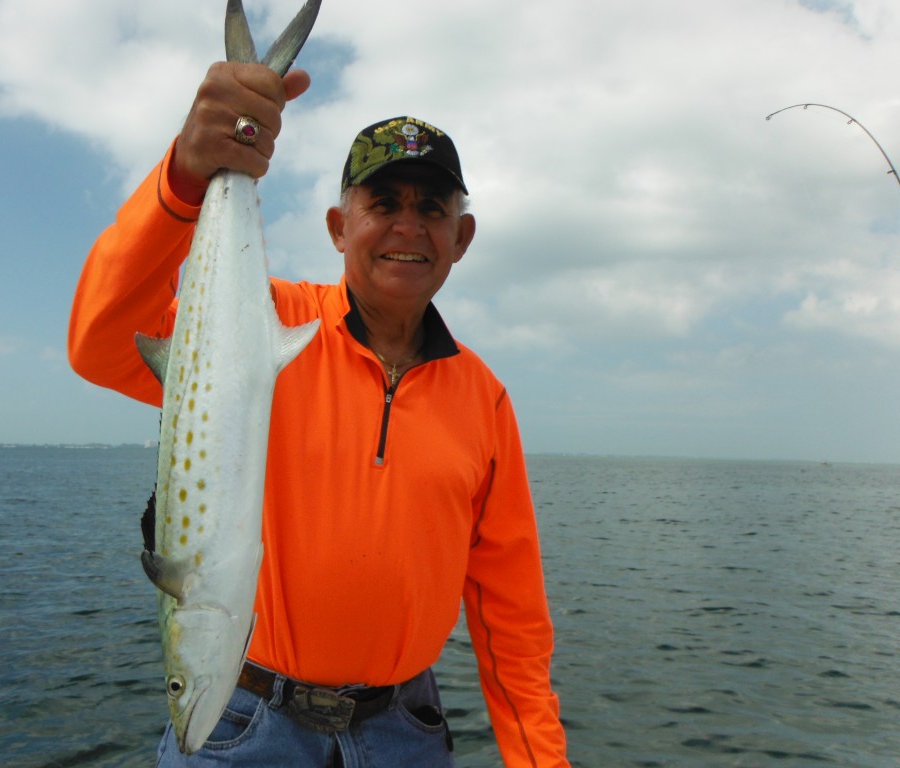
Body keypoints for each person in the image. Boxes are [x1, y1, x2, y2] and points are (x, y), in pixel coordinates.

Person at [68, 61, 570, 768]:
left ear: (462, 237)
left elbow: (511, 619)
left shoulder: (483, 398)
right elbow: (99, 344)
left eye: (432, 209)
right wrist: (184, 178)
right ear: (339, 227)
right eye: (383, 202)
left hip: (406, 731)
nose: (408, 226)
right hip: (243, 724)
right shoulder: (258, 325)